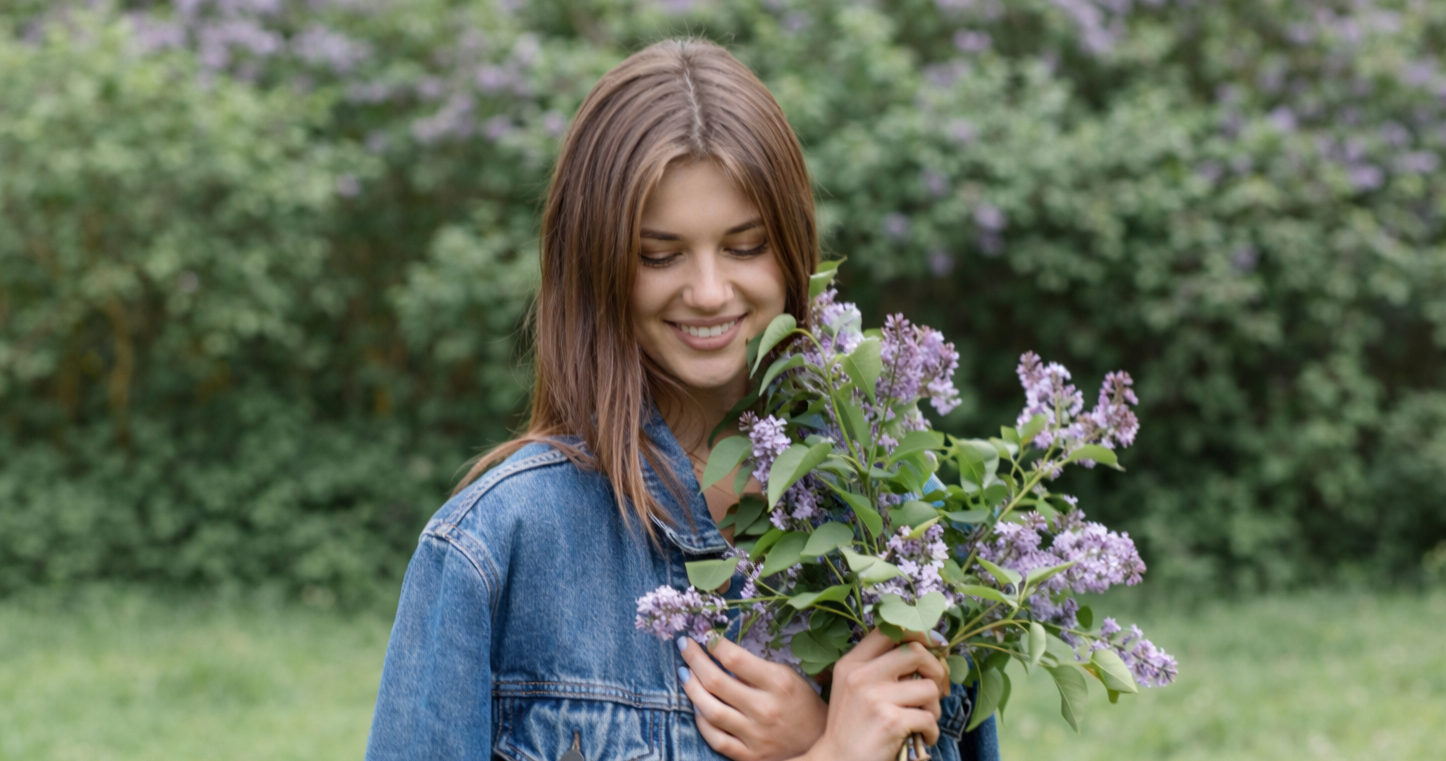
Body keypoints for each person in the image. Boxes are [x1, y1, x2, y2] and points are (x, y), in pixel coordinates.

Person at [364, 38, 999, 761]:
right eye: (659, 254)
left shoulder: (899, 521)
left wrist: (819, 733)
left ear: (791, 249)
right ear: (596, 264)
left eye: (744, 246)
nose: (706, 291)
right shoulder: (493, 546)